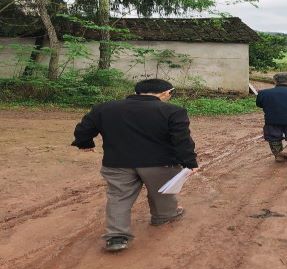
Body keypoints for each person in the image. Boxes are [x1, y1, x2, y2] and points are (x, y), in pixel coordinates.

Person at [72, 79, 198, 252]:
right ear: (166, 93)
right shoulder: (173, 111)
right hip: (160, 163)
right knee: (162, 190)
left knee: (118, 197)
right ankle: (164, 216)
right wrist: (189, 162)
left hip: (117, 163)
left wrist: (85, 143)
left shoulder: (105, 108)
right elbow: (181, 140)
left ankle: (116, 236)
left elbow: (83, 129)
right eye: (171, 93)